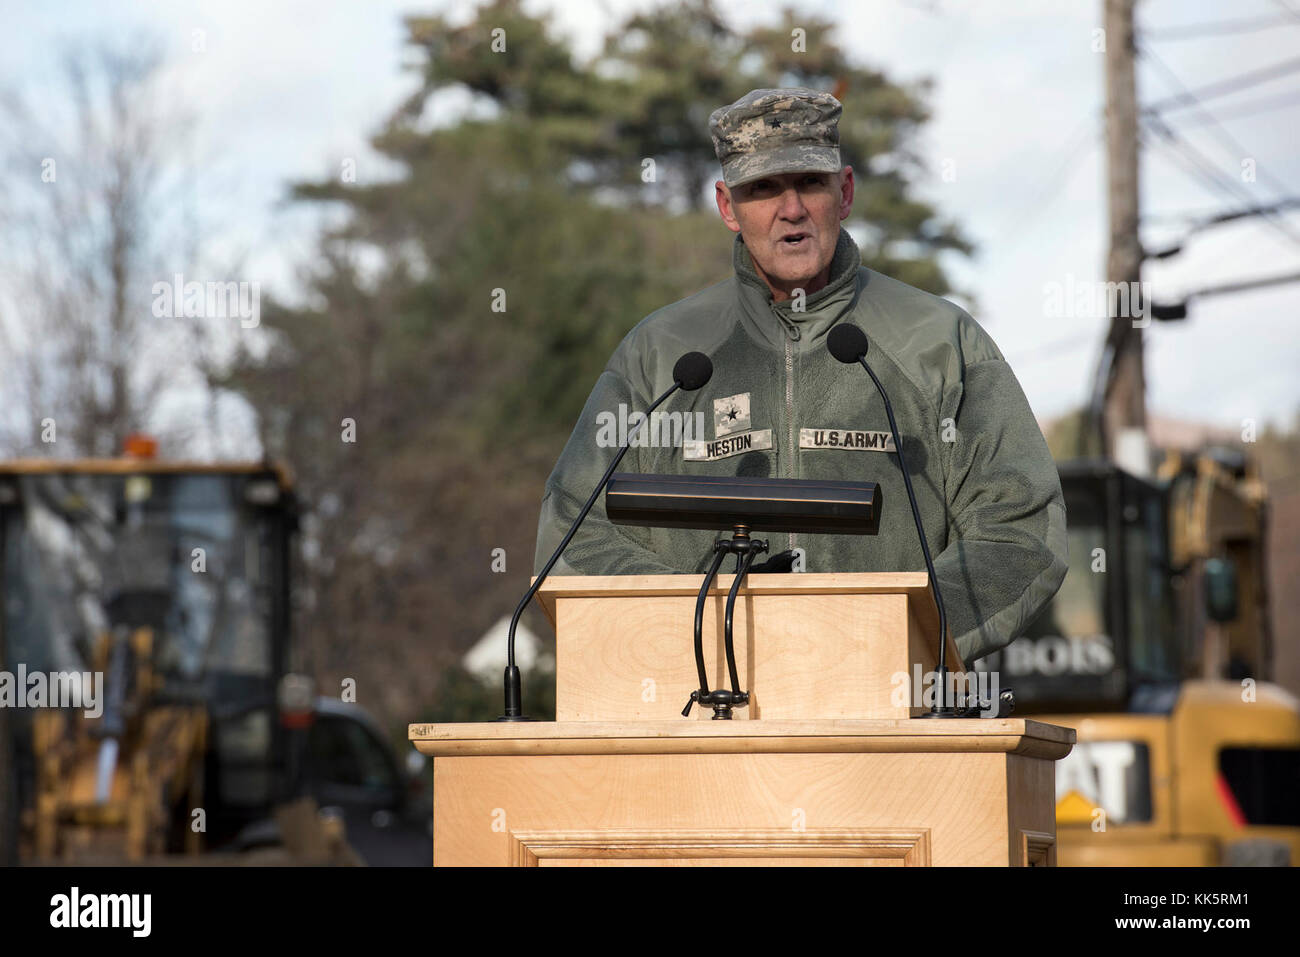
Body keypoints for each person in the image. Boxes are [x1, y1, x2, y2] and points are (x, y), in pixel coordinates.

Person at [532, 87, 1067, 664]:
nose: (791, 210)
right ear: (727, 207)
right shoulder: (661, 355)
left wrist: (887, 642)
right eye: (762, 189)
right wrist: (709, 639)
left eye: (810, 183)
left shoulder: (941, 342)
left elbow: (1021, 531)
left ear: (846, 193)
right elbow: (573, 540)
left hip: (892, 723)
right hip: (703, 718)